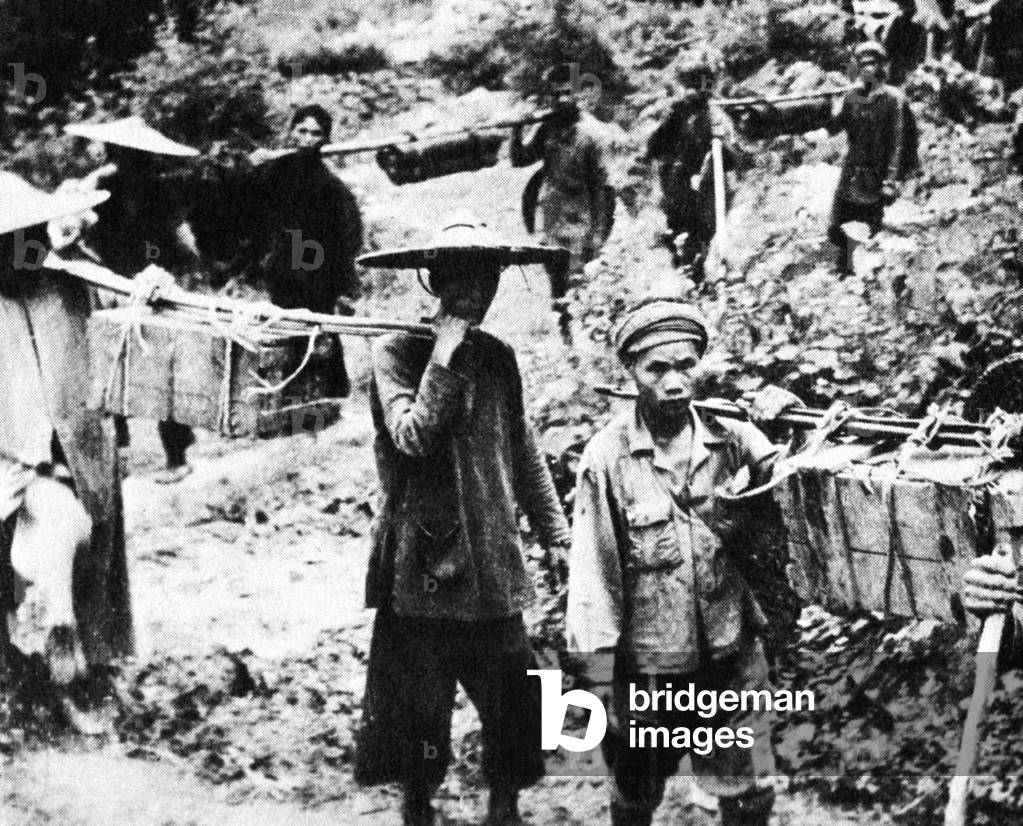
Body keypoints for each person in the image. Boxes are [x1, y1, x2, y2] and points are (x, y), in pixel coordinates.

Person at [353, 214, 571, 825]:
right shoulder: (393, 351)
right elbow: (412, 438)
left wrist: (555, 534)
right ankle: (417, 806)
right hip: (423, 566)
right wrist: (442, 357)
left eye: (488, 274)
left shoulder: (498, 357)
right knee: (420, 706)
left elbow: (522, 449)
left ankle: (505, 804)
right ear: (435, 278)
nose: (476, 288)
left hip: (493, 561)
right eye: (461, 274)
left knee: (513, 697)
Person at [566, 296, 801, 826]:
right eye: (658, 369)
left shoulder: (733, 437)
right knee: (635, 791)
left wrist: (792, 427)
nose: (675, 382)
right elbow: (593, 579)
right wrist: (597, 680)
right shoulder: (607, 458)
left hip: (729, 656)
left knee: (748, 791)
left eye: (686, 365)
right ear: (632, 372)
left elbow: (795, 491)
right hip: (648, 669)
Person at [0, 172, 140, 706]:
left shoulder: (74, 285)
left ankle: (89, 667)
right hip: (9, 457)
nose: (27, 250)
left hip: (76, 449)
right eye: (12, 242)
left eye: (33, 235)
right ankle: (16, 671)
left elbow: (138, 313)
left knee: (89, 554)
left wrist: (153, 286)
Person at [67, 115, 202, 483]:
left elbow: (186, 247)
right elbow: (75, 230)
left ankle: (174, 455)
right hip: (111, 287)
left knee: (163, 372)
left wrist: (172, 277)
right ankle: (120, 455)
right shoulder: (98, 187)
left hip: (154, 289)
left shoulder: (161, 193)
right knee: (112, 373)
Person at [248, 104, 363, 404]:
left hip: (317, 268)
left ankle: (333, 396)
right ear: (291, 132)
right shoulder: (273, 172)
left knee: (322, 330)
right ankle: (292, 398)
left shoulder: (332, 187)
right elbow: (248, 208)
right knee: (287, 330)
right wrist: (251, 167)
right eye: (302, 131)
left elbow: (347, 237)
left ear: (325, 139)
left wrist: (345, 284)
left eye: (316, 133)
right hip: (284, 267)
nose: (308, 138)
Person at [511, 65, 615, 341]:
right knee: (556, 283)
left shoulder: (592, 134)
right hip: (551, 217)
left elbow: (602, 189)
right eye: (556, 95)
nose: (561, 100)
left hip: (580, 218)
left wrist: (598, 233)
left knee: (581, 282)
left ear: (579, 94)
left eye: (567, 93)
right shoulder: (549, 127)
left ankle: (594, 339)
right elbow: (521, 159)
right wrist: (517, 131)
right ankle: (567, 339)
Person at [826, 41, 918, 272]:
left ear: (881, 67)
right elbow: (835, 126)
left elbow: (900, 143)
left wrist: (891, 181)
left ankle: (867, 273)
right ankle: (845, 269)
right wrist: (830, 105)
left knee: (869, 226)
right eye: (862, 64)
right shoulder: (851, 97)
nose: (867, 68)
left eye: (872, 63)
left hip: (877, 174)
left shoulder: (894, 99)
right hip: (852, 172)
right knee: (839, 224)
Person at [646, 51, 737, 277]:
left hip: (706, 198)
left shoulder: (716, 119)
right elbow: (653, 148)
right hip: (678, 195)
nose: (692, 90)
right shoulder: (676, 116)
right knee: (678, 248)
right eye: (689, 84)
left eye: (698, 84)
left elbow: (732, 159)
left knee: (700, 248)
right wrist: (671, 119)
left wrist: (719, 144)